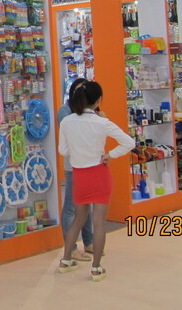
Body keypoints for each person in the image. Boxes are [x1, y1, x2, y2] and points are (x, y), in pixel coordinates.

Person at [57, 80, 134, 281]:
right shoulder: (102, 122)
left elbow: (63, 150)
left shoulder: (67, 121)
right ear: (99, 100)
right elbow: (129, 142)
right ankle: (96, 267)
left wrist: (78, 150)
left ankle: (65, 260)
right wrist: (110, 155)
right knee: (99, 222)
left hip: (79, 174)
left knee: (78, 218)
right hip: (99, 174)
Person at [57, 77, 94, 261]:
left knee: (86, 204)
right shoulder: (65, 111)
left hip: (89, 164)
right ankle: (70, 248)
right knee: (71, 207)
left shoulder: (90, 111)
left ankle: (89, 242)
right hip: (73, 165)